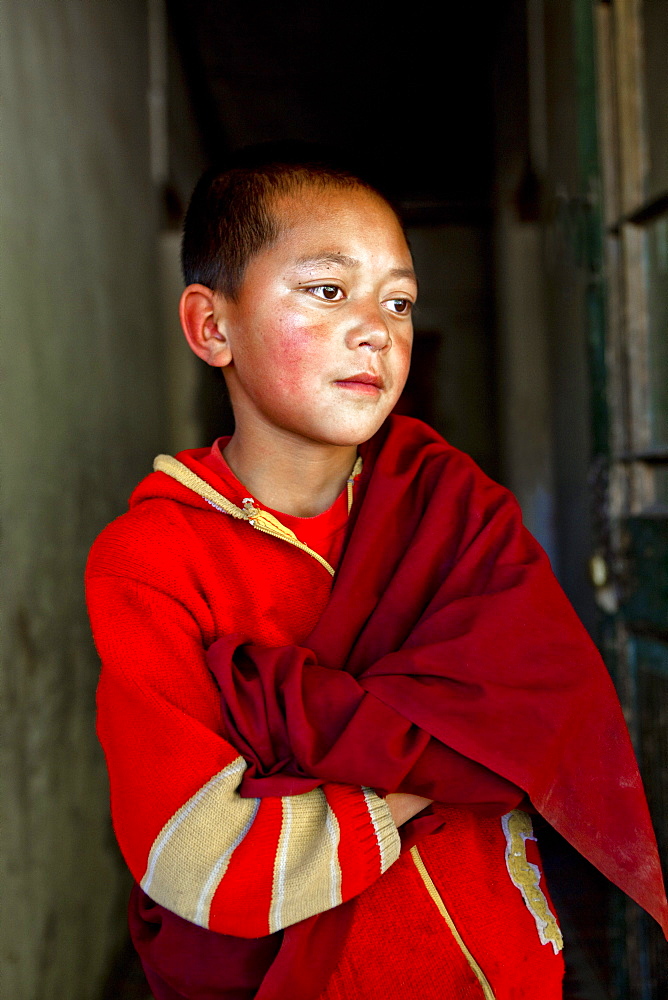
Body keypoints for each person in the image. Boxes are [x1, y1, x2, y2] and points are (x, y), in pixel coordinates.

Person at [86, 157, 667, 1000]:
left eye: (397, 302)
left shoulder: (451, 506)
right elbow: (200, 858)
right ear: (212, 327)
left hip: (503, 966)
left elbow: (543, 725)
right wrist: (429, 769)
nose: (377, 332)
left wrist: (303, 763)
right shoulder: (155, 558)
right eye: (328, 291)